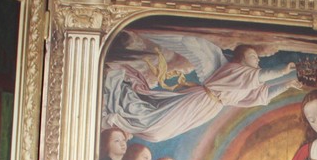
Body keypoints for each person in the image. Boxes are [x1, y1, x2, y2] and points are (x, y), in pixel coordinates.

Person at [104, 38, 298, 142]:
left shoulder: (247, 82)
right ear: (241, 59)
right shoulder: (236, 70)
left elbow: (263, 95)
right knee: (156, 130)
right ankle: (119, 113)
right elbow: (262, 75)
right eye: (253, 56)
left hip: (209, 108)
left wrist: (286, 85)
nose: (258, 59)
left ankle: (123, 117)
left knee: (158, 132)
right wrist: (283, 70)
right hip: (200, 100)